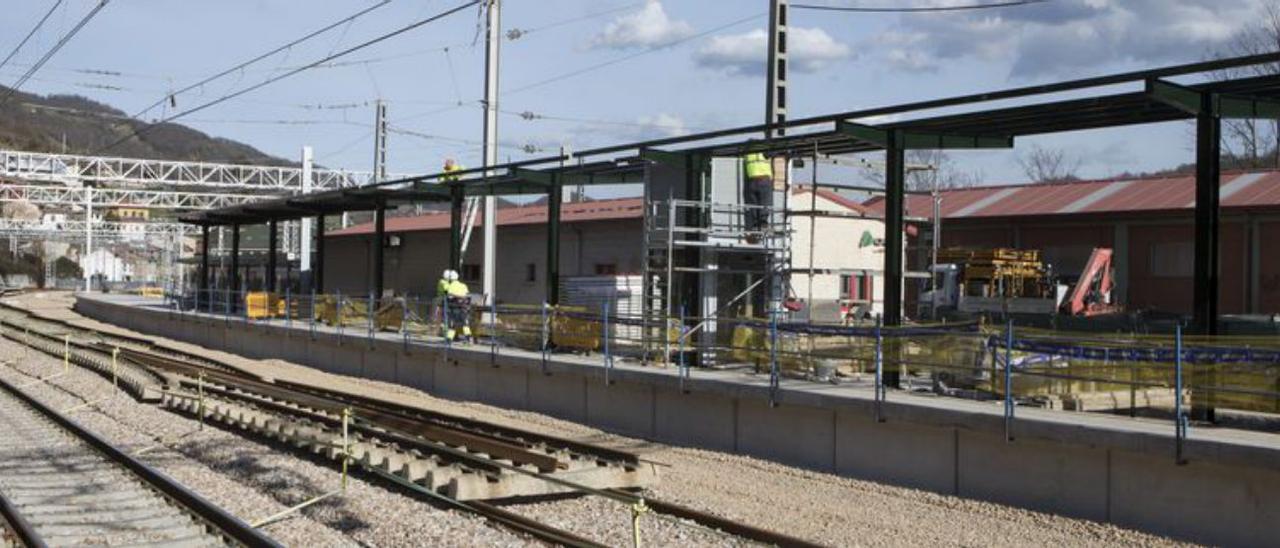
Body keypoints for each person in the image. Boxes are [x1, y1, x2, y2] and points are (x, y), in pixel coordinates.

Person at [742, 152, 773, 243]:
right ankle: (763, 223)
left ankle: (755, 225)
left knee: (753, 204)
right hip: (764, 178)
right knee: (765, 202)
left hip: (752, 180)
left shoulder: (748, 153)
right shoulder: (765, 148)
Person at [438, 269, 472, 341]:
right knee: (465, 323)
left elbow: (449, 295)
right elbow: (467, 296)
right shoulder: (463, 285)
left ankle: (449, 339)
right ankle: (468, 338)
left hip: (453, 307)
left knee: (452, 324)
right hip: (463, 307)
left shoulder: (450, 286)